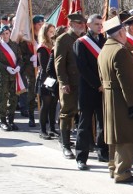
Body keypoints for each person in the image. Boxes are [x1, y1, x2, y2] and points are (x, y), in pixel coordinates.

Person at [98, 16, 133, 184]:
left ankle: (113, 167)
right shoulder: (120, 51)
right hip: (122, 99)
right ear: (121, 32)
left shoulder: (105, 49)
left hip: (110, 98)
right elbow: (126, 80)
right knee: (126, 137)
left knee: (114, 136)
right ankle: (122, 172)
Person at [73, 14, 108, 170]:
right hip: (88, 89)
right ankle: (81, 157)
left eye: (101, 24)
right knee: (84, 124)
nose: (99, 27)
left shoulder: (105, 42)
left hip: (102, 89)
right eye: (96, 24)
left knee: (102, 123)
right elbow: (82, 68)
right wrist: (97, 84)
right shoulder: (80, 43)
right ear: (88, 25)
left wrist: (104, 84)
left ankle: (103, 152)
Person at [54, 12, 85, 159]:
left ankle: (84, 142)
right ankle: (65, 144)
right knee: (67, 113)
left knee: (83, 112)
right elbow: (59, 63)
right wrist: (63, 82)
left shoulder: (84, 38)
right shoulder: (63, 39)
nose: (81, 26)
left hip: (83, 81)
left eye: (82, 23)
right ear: (71, 24)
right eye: (78, 23)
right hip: (70, 83)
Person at [0, 25, 24, 131]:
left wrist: (18, 66)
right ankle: (3, 121)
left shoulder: (14, 45)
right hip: (3, 76)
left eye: (7, 33)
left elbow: (20, 59)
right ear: (0, 35)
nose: (5, 36)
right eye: (3, 34)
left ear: (10, 34)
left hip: (14, 76)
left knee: (14, 99)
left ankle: (11, 120)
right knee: (2, 99)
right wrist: (6, 68)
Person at [36, 22, 57, 140]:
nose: (52, 34)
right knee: (46, 104)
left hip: (54, 78)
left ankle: (52, 128)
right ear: (45, 33)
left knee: (54, 104)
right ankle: (42, 130)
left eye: (54, 32)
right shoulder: (42, 48)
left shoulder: (54, 45)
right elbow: (44, 66)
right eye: (50, 32)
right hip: (45, 79)